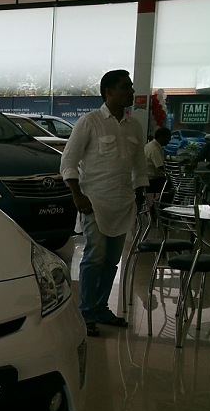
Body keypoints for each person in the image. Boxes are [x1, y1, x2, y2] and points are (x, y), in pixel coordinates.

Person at [60, 69, 149, 337]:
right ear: (108, 92)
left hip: (123, 204)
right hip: (95, 203)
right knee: (94, 258)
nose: (131, 92)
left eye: (131, 86)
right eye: (125, 87)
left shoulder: (134, 125)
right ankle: (86, 312)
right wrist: (78, 195)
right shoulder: (89, 122)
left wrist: (141, 193)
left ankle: (100, 308)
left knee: (111, 261)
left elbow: (139, 166)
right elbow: (67, 162)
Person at [144, 126, 170, 195]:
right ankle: (163, 205)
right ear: (162, 137)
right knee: (174, 186)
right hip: (152, 180)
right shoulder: (154, 149)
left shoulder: (150, 145)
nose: (169, 140)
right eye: (168, 137)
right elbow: (160, 167)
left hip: (147, 179)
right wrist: (172, 172)